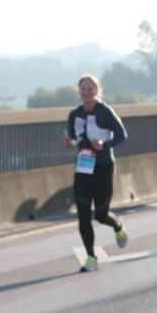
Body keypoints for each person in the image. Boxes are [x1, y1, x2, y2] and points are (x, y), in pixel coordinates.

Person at [66, 75, 129, 273]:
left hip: (103, 166)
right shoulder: (74, 114)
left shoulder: (104, 111)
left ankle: (117, 225)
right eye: (83, 89)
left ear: (97, 91)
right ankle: (91, 258)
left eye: (90, 88)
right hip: (83, 167)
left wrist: (104, 144)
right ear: (78, 91)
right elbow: (73, 137)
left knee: (100, 215)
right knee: (83, 214)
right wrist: (69, 142)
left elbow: (122, 136)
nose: (86, 92)